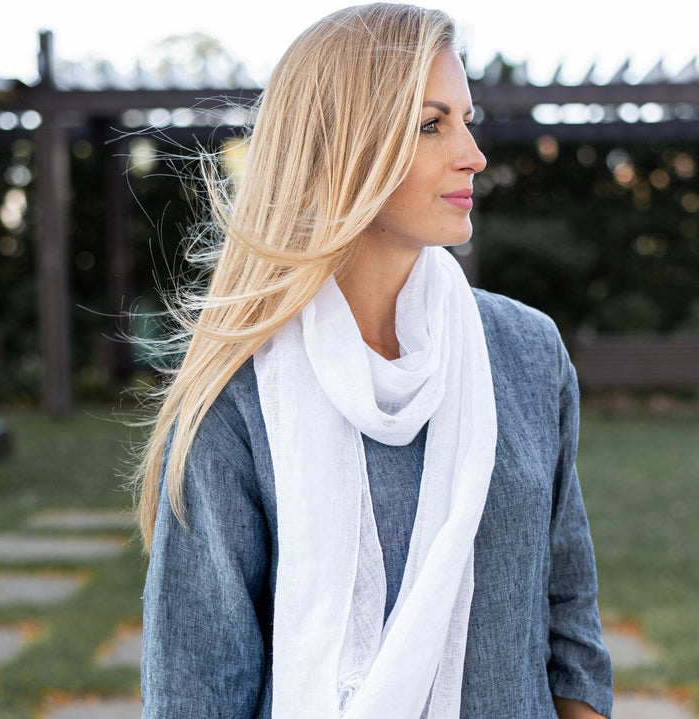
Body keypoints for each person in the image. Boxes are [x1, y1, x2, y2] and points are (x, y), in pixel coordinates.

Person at [137, 4, 613, 718]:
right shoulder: (238, 391)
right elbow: (195, 687)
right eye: (431, 124)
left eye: (466, 118)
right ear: (342, 147)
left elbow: (569, 627)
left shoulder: (525, 351)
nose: (473, 154)